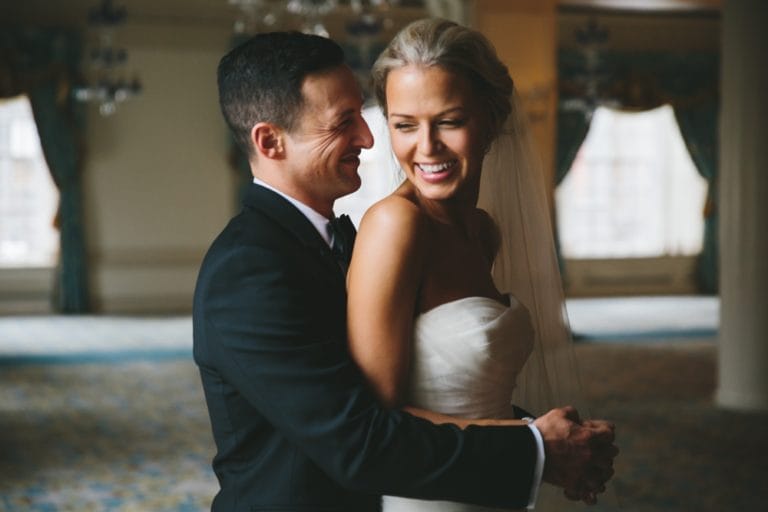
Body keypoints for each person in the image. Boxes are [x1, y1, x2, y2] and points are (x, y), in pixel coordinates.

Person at [193, 29, 616, 512]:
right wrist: (537, 449)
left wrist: (546, 434)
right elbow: (358, 440)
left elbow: (432, 385)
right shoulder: (247, 271)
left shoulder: (352, 237)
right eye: (344, 122)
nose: (369, 138)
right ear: (270, 141)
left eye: (366, 117)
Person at [347, 18, 616, 511]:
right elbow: (372, 420)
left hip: (495, 483)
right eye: (405, 125)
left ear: (492, 118)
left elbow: (472, 393)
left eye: (449, 121)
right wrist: (536, 446)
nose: (426, 147)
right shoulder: (394, 226)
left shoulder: (483, 230)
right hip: (430, 495)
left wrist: (564, 446)